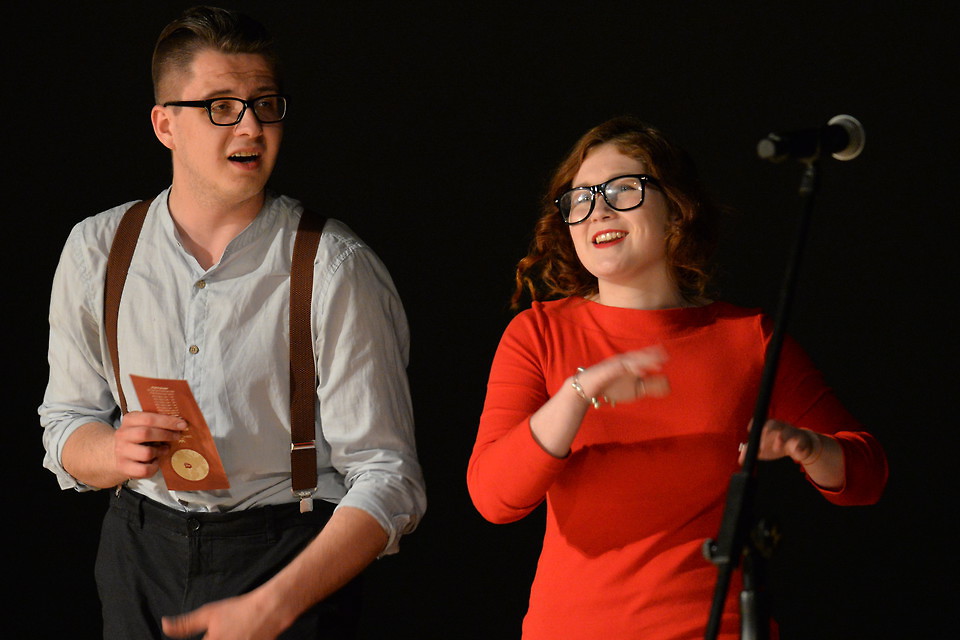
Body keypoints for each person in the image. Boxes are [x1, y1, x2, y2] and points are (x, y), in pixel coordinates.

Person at [39, 6, 426, 639]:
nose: (251, 126)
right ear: (165, 124)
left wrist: (273, 605)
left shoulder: (334, 266)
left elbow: (388, 478)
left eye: (265, 105)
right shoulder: (97, 249)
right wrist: (112, 451)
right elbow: (66, 421)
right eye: (221, 106)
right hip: (138, 552)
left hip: (285, 557)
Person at [466, 115, 888, 639]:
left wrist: (808, 446)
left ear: (677, 208)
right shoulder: (539, 333)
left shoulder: (746, 337)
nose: (598, 209)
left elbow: (868, 475)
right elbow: (494, 498)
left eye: (622, 189)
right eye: (580, 198)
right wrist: (577, 395)